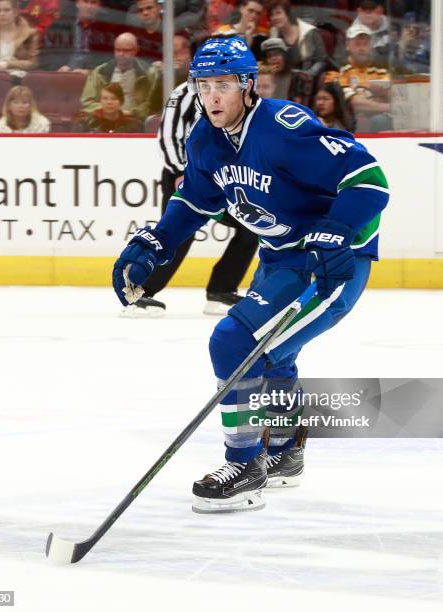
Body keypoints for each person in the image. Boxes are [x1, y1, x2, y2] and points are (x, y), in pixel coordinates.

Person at [112, 37, 389, 513]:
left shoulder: (283, 128)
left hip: (329, 266)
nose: (213, 95)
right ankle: (284, 450)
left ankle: (245, 463)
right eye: (204, 85)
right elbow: (195, 202)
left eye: (224, 84)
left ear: (247, 85)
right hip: (279, 259)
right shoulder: (204, 138)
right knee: (274, 354)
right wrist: (156, 241)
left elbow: (369, 181)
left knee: (232, 341)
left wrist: (337, 232)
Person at [123, 75, 258, 317]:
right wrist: (178, 171)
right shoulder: (185, 93)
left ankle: (221, 291)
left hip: (223, 175)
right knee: (178, 234)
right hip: (188, 175)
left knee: (251, 225)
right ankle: (139, 292)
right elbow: (168, 136)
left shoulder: (238, 92)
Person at [325, 23, 391, 132]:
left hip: (377, 125)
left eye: (365, 44)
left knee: (381, 120)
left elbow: (394, 98)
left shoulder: (382, 71)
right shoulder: (338, 71)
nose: (362, 48)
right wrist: (386, 106)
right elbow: (354, 104)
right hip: (347, 124)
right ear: (347, 45)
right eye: (357, 44)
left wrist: (382, 97)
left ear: (371, 46)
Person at [80, 32, 158, 120]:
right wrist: (108, 111)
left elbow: (152, 103)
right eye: (118, 50)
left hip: (137, 121)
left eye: (126, 50)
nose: (121, 54)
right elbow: (87, 101)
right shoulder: (100, 72)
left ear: (136, 50)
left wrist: (132, 113)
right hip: (105, 120)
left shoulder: (149, 72)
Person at [0, 0, 39, 75]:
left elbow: (33, 64)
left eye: (7, 10)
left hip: (18, 77)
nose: (2, 14)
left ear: (15, 12)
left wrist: (7, 64)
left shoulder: (29, 34)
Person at [266, 0, 327, 76]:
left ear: (288, 14)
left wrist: (308, 75)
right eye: (272, 15)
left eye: (278, 13)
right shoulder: (273, 34)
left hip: (307, 81)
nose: (275, 17)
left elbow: (321, 60)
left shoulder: (310, 32)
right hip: (282, 80)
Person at [260, 37, 314, 106]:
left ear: (285, 56)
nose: (273, 58)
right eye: (269, 56)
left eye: (276, 54)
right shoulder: (262, 80)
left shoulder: (300, 77)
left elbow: (298, 107)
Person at [77, 81, 142, 131]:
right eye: (105, 98)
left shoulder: (134, 125)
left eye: (114, 99)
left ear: (121, 101)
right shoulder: (88, 123)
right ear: (100, 101)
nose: (109, 102)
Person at [351, 0, 390, 68]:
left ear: (381, 11)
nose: (368, 12)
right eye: (364, 9)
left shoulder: (393, 28)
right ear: (358, 11)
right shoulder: (350, 35)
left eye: (372, 8)